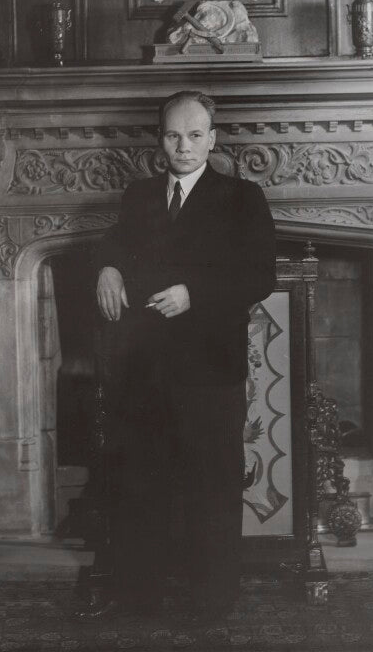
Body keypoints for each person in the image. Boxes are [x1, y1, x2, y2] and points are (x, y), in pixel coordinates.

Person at [93, 91, 275, 619]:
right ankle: (140, 595)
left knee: (211, 486)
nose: (184, 146)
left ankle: (212, 599)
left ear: (212, 140)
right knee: (142, 482)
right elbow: (116, 241)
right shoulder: (139, 194)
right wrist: (108, 266)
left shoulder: (242, 197)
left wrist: (194, 293)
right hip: (144, 368)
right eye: (173, 135)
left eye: (195, 135)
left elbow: (260, 274)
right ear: (160, 140)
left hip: (209, 369)